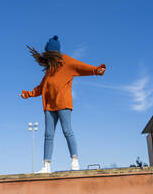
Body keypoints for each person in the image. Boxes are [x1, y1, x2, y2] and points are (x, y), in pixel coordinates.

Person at [20, 35, 106, 173]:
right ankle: (46, 166)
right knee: (48, 134)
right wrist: (28, 94)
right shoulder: (49, 71)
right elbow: (41, 88)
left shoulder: (66, 61)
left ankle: (75, 161)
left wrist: (96, 70)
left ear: (53, 52)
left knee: (67, 130)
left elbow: (81, 66)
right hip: (49, 106)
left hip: (63, 104)